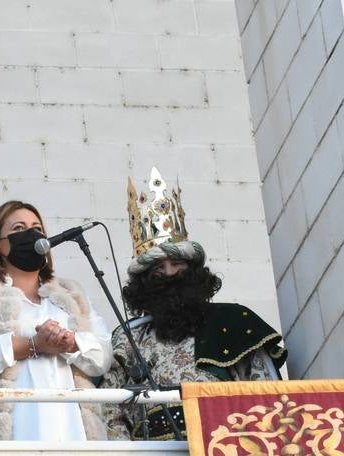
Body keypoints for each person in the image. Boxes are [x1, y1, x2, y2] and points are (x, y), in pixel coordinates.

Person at [103, 169, 286, 440]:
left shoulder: (233, 321)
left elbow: (268, 396)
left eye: (176, 264)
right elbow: (108, 410)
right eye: (158, 270)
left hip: (226, 448)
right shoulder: (128, 339)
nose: (168, 274)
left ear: (194, 272)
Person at [0, 200, 111, 441]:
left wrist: (70, 343)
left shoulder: (70, 294)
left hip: (71, 431)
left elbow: (102, 355)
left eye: (37, 229)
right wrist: (33, 345)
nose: (30, 234)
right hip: (8, 434)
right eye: (18, 228)